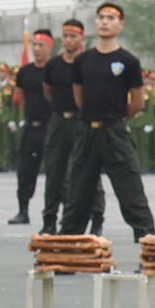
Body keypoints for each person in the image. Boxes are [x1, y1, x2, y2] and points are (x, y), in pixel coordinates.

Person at [60, 3, 155, 242]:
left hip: (114, 133)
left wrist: (116, 118)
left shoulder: (128, 61)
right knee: (77, 192)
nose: (105, 22)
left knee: (131, 191)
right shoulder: (83, 60)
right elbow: (79, 97)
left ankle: (149, 244)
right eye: (101, 17)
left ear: (120, 25)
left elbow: (137, 102)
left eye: (111, 18)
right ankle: (67, 246)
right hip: (87, 133)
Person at [40, 19, 103, 236]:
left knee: (88, 170)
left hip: (81, 121)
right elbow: (48, 92)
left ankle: (97, 219)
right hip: (59, 121)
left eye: (73, 36)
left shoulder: (88, 63)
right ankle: (49, 219)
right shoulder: (53, 65)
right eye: (65, 36)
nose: (68, 40)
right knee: (54, 171)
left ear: (81, 38)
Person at [8, 27, 54, 226]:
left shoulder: (54, 69)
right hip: (30, 129)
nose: (36, 49)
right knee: (25, 170)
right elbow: (20, 98)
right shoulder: (25, 72)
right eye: (34, 45)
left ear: (49, 47)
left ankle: (54, 214)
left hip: (50, 128)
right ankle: (23, 210)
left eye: (40, 45)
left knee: (55, 173)